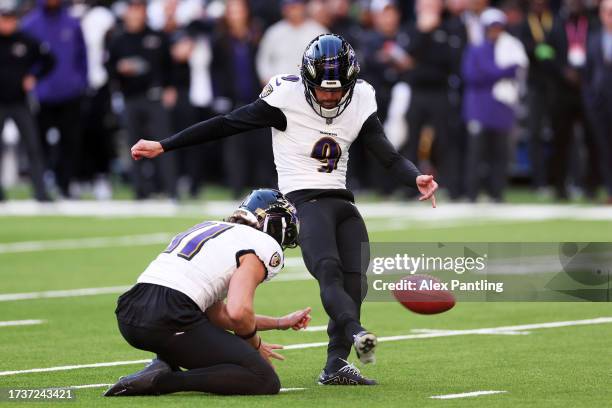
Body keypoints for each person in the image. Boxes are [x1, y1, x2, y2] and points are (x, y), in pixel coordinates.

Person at [130, 34, 438, 385]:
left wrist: (415, 178)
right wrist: (164, 146)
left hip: (341, 199)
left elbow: (387, 154)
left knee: (356, 282)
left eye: (337, 90)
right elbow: (225, 123)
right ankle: (357, 331)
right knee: (328, 270)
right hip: (303, 201)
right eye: (323, 89)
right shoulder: (285, 96)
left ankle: (335, 364)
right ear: (307, 80)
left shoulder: (362, 97)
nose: (329, 96)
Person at [104, 188, 310, 396]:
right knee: (264, 379)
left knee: (200, 327)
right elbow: (238, 312)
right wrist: (254, 347)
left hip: (131, 311)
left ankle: (163, 363)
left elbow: (218, 315)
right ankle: (164, 380)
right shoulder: (262, 245)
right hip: (169, 316)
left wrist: (278, 323)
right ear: (276, 225)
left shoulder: (211, 227)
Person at [105, 0, 177, 200]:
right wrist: (120, 69)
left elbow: (169, 66)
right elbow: (109, 69)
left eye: (140, 9)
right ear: (127, 13)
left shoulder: (157, 36)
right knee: (134, 146)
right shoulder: (118, 39)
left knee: (163, 144)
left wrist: (170, 88)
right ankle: (140, 191)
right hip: (130, 98)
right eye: (133, 10)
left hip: (154, 97)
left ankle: (171, 190)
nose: (136, 14)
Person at [22, 0, 88, 199]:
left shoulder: (72, 23)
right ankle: (40, 187)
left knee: (70, 141)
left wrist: (80, 83)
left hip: (70, 93)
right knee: (38, 144)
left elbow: (82, 57)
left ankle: (65, 185)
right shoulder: (29, 24)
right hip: (41, 95)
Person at [462, 8, 527, 202]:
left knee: (500, 154)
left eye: (498, 28)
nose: (494, 32)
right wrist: (502, 71)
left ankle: (497, 193)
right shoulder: (476, 48)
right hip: (479, 109)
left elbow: (516, 69)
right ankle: (472, 194)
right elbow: (472, 76)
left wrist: (495, 72)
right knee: (476, 154)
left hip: (502, 110)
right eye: (491, 28)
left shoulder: (509, 47)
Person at [0, 0, 54, 202]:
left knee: (33, 146)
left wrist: (34, 76)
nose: (6, 23)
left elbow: (49, 60)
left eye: (10, 19)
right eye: (3, 19)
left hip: (20, 102)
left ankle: (40, 192)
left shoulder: (26, 41)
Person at [583, 0, 612, 203]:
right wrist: (590, 98)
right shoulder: (593, 38)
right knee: (605, 148)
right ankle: (611, 191)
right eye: (607, 12)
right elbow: (588, 72)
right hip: (600, 103)